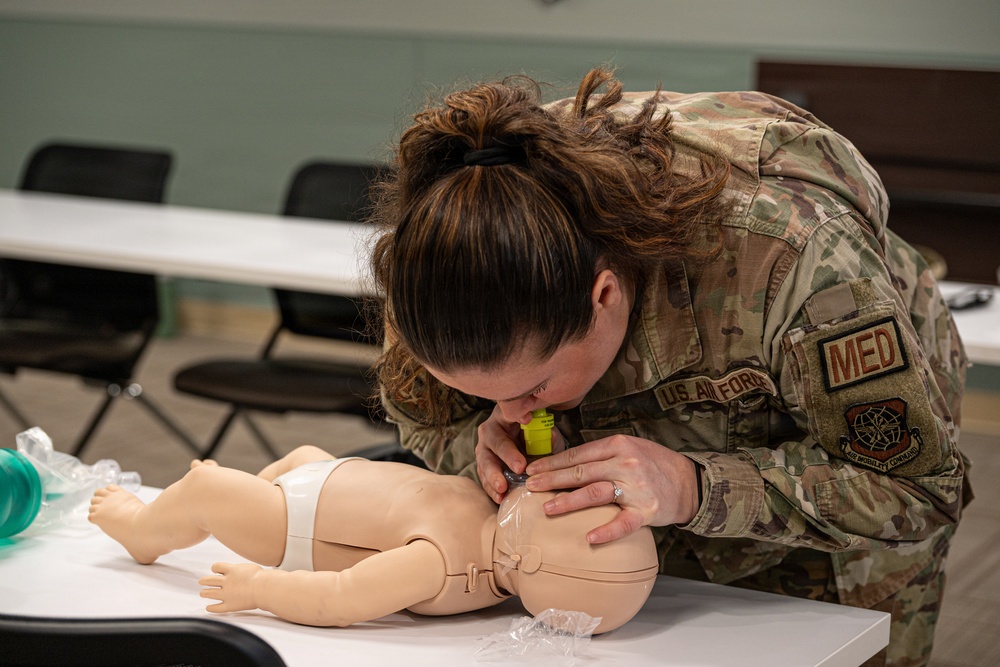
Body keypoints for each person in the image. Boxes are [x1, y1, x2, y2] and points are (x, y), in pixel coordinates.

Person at [369, 68, 971, 666]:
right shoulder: (434, 274)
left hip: (842, 414)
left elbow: (916, 489)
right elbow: (426, 417)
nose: (512, 413)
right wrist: (475, 452)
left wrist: (694, 485)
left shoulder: (793, 259)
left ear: (604, 298)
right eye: (483, 394)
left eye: (533, 388)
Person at [88, 446, 658, 633]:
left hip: (297, 522)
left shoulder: (440, 566)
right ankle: (225, 501)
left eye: (560, 511)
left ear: (527, 557)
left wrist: (261, 586)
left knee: (207, 486)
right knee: (299, 458)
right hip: (328, 473)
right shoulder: (500, 516)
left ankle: (142, 531)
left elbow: (341, 597)